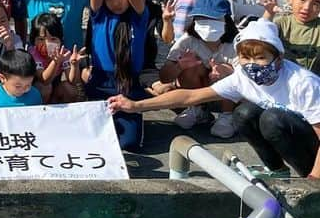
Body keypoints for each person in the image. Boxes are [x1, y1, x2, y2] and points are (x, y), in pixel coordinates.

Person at [110, 21, 320, 179]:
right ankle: (278, 171)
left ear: (279, 59)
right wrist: (136, 106)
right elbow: (190, 96)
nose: (252, 65)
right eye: (246, 58)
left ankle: (308, 176)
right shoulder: (242, 77)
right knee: (244, 114)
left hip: (312, 143)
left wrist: (314, 180)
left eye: (261, 58)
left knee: (271, 118)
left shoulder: (303, 83)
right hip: (293, 137)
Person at [77, 0, 148, 150]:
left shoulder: (138, 16)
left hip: (127, 83)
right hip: (100, 80)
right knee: (93, 140)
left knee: (129, 143)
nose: (116, 2)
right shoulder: (99, 15)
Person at [150, 0, 237, 136]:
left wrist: (226, 72)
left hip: (229, 98)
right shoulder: (187, 41)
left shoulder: (236, 43)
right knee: (191, 67)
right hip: (195, 93)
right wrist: (180, 66)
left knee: (227, 71)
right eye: (202, 19)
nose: (207, 23)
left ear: (226, 20)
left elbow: (247, 78)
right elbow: (165, 77)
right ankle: (196, 110)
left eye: (213, 18)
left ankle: (227, 115)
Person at [262, 0, 320, 74]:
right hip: (283, 80)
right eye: (302, 0)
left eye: (315, 3)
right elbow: (258, 39)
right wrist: (268, 14)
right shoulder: (281, 23)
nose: (307, 8)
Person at [28, 13, 85, 104]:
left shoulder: (64, 53)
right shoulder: (33, 53)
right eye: (41, 39)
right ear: (33, 40)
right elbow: (44, 80)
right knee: (45, 88)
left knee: (70, 90)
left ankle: (57, 111)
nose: (47, 44)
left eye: (53, 39)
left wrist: (74, 65)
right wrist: (55, 62)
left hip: (55, 88)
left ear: (60, 40)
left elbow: (73, 81)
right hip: (36, 89)